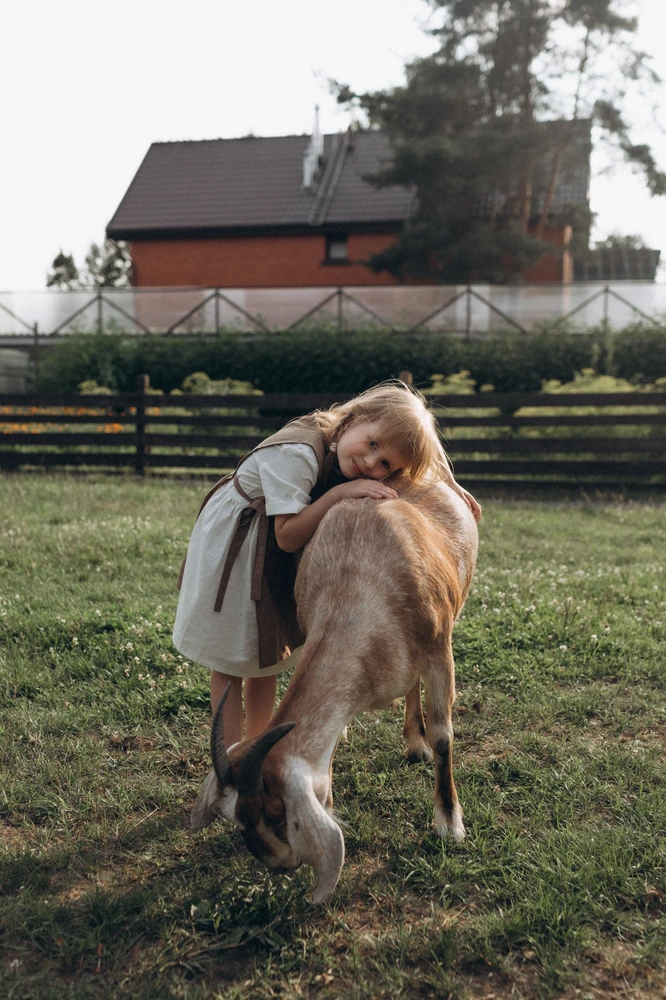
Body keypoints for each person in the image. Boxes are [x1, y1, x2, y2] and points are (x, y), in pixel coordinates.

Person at [172, 382, 481, 749]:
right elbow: (287, 536)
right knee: (229, 659)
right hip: (240, 545)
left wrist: (451, 482)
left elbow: (417, 436)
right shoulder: (298, 454)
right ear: (356, 417)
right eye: (372, 444)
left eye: (385, 465)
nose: (371, 463)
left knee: (264, 656)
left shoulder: (345, 436)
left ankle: (257, 748)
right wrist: (339, 494)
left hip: (273, 544)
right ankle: (228, 759)